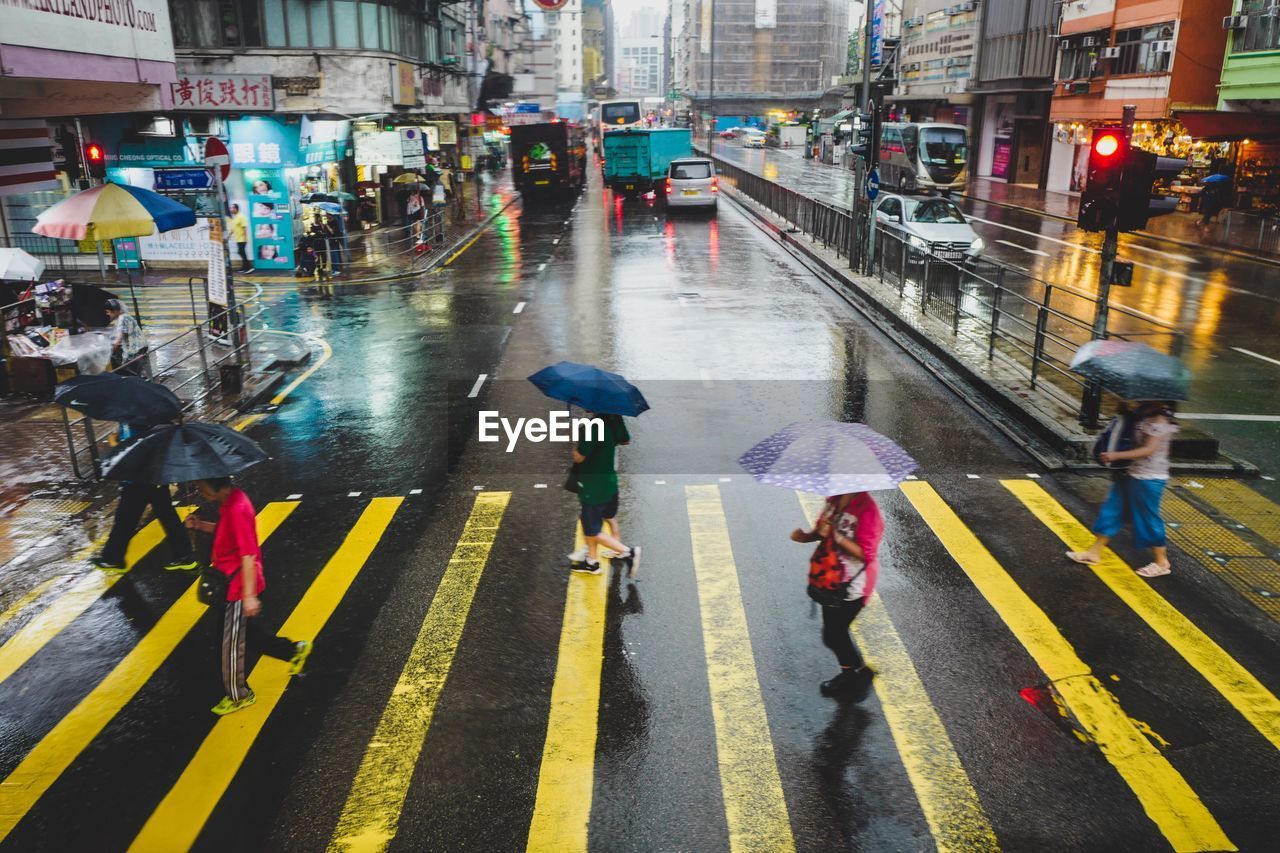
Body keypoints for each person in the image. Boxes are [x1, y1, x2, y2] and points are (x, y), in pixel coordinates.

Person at [185, 477, 312, 716]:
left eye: (202, 486)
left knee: (229, 646)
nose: (199, 490)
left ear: (219, 486)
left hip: (237, 587)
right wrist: (200, 526)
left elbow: (248, 554)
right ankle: (294, 651)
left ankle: (239, 695)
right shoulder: (229, 502)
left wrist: (250, 596)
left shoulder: (237, 508)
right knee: (250, 637)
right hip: (231, 581)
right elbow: (227, 533)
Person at [1068, 401, 1180, 578]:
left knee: (1147, 518)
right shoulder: (1143, 413)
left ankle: (1161, 561)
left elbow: (1148, 450)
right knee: (1113, 511)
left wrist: (1116, 455)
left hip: (1149, 478)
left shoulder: (1161, 421)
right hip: (1129, 472)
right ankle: (1094, 552)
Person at [791, 491, 884, 697]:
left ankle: (857, 674)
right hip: (829, 579)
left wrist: (836, 535)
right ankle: (852, 672)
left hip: (853, 586)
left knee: (834, 633)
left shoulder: (868, 510)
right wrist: (805, 537)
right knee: (832, 634)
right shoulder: (833, 500)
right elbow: (821, 532)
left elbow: (866, 553)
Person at [91, 420, 197, 573]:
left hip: (140, 478)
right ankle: (184, 555)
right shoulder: (132, 416)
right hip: (146, 477)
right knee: (163, 515)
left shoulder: (140, 419)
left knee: (125, 518)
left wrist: (114, 443)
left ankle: (112, 558)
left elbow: (137, 451)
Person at [569, 413, 640, 576]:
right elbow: (625, 440)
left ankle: (628, 552)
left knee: (591, 528)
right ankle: (592, 562)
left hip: (593, 485)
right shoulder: (615, 418)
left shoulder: (594, 426)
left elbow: (579, 456)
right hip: (609, 480)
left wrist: (575, 441)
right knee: (606, 516)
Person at [104, 298, 145, 375]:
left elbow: (118, 340)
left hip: (135, 352)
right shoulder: (124, 317)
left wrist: (108, 351)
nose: (107, 314)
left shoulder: (123, 319)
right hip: (138, 349)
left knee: (131, 374)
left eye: (108, 312)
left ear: (115, 311)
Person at [228, 204, 253, 273]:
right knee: (241, 252)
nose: (231, 210)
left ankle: (249, 267)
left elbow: (244, 228)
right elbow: (233, 229)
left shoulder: (241, 216)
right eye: (230, 208)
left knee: (241, 252)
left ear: (236, 209)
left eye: (232, 208)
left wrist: (246, 239)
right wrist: (228, 236)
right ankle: (245, 267)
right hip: (238, 239)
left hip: (242, 239)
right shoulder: (235, 217)